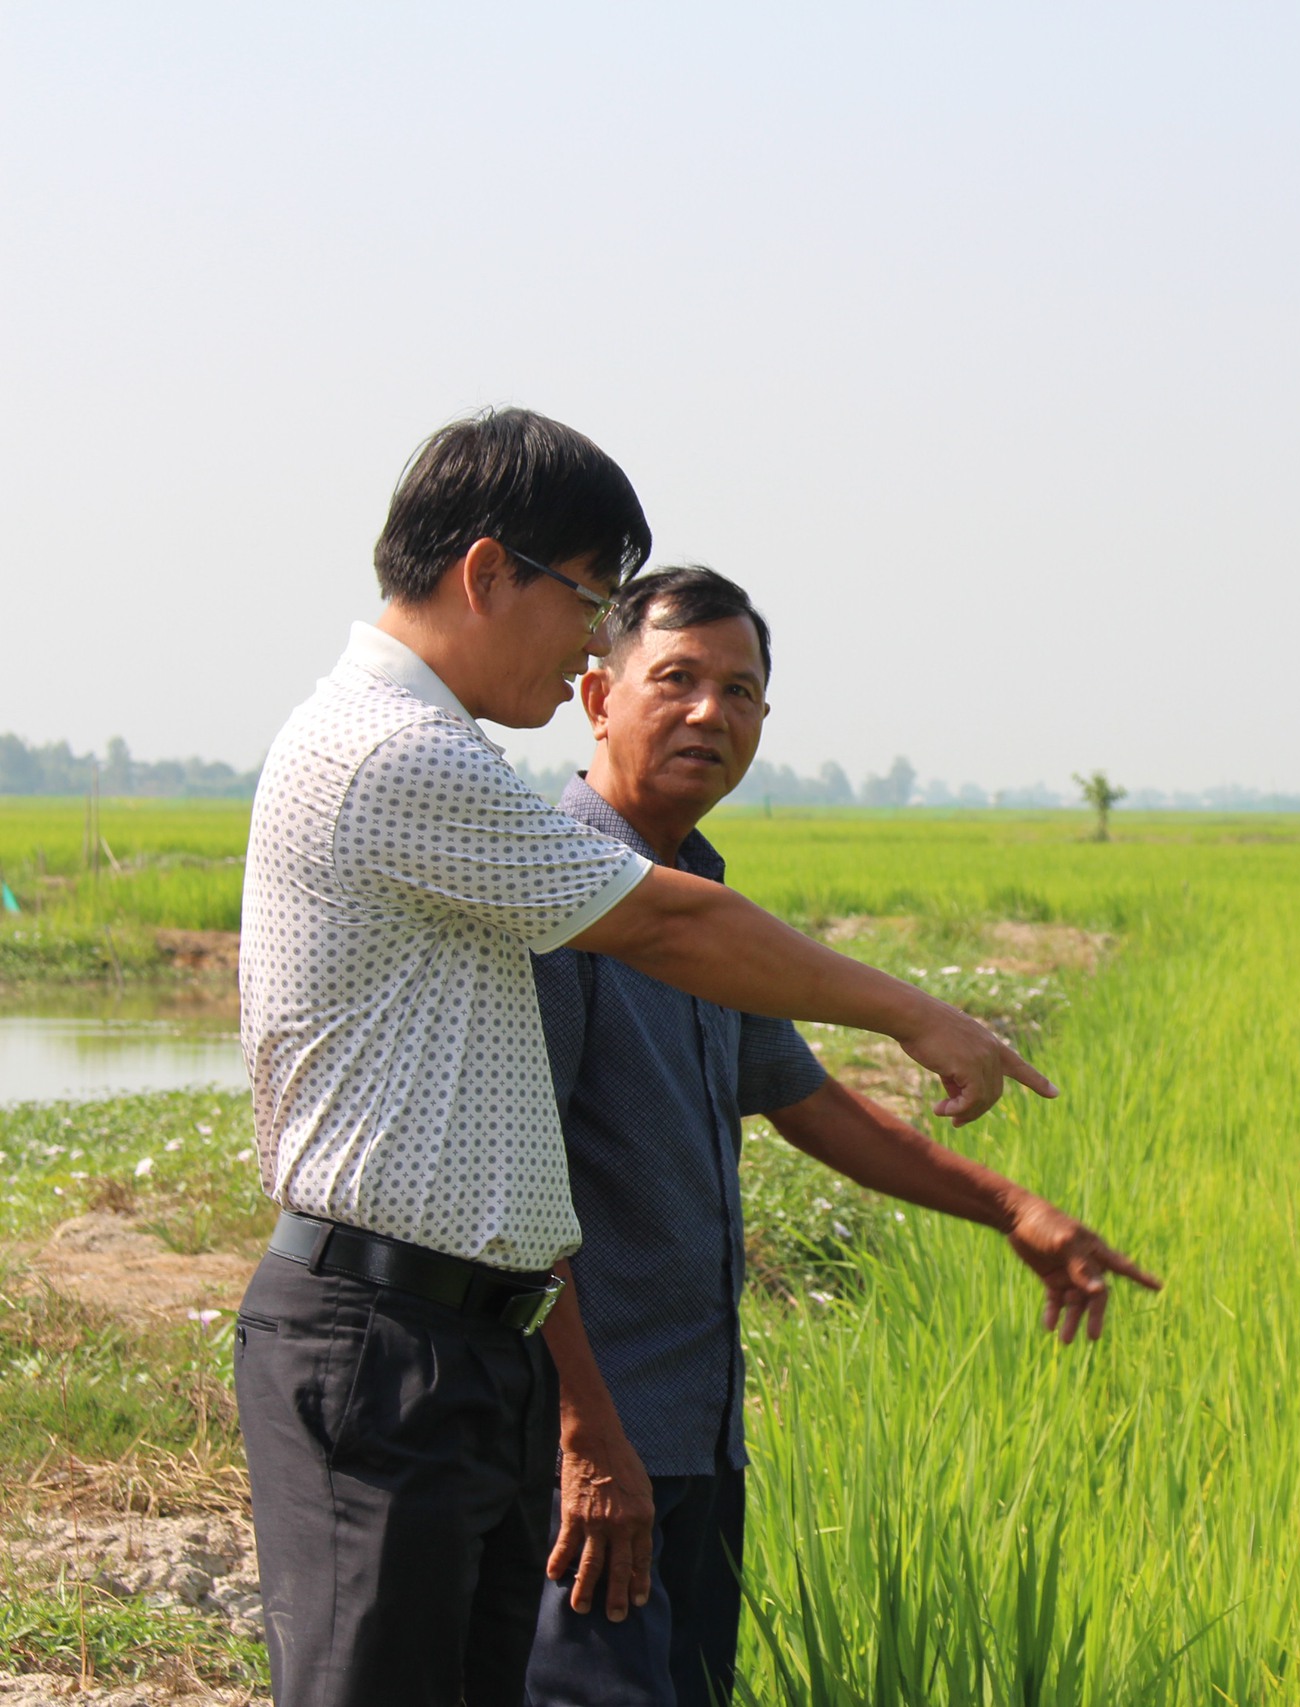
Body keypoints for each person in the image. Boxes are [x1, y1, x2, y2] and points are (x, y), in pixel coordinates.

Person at [233, 409, 1074, 1707]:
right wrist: (918, 1011)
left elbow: (775, 1073)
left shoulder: (449, 758)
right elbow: (668, 923)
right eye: (591, 603)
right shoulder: (392, 752)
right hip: (387, 1341)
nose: (592, 638)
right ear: (487, 571)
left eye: (738, 688)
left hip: (462, 1345)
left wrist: (1006, 1197)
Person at [518, 565, 1157, 1706]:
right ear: (595, 698)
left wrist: (1011, 1207)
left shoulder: (701, 896)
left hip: (695, 1437)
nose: (711, 713)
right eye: (676, 679)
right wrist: (581, 1434)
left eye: (741, 691)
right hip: (597, 1453)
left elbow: (803, 1100)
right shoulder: (555, 902)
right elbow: (515, 1194)